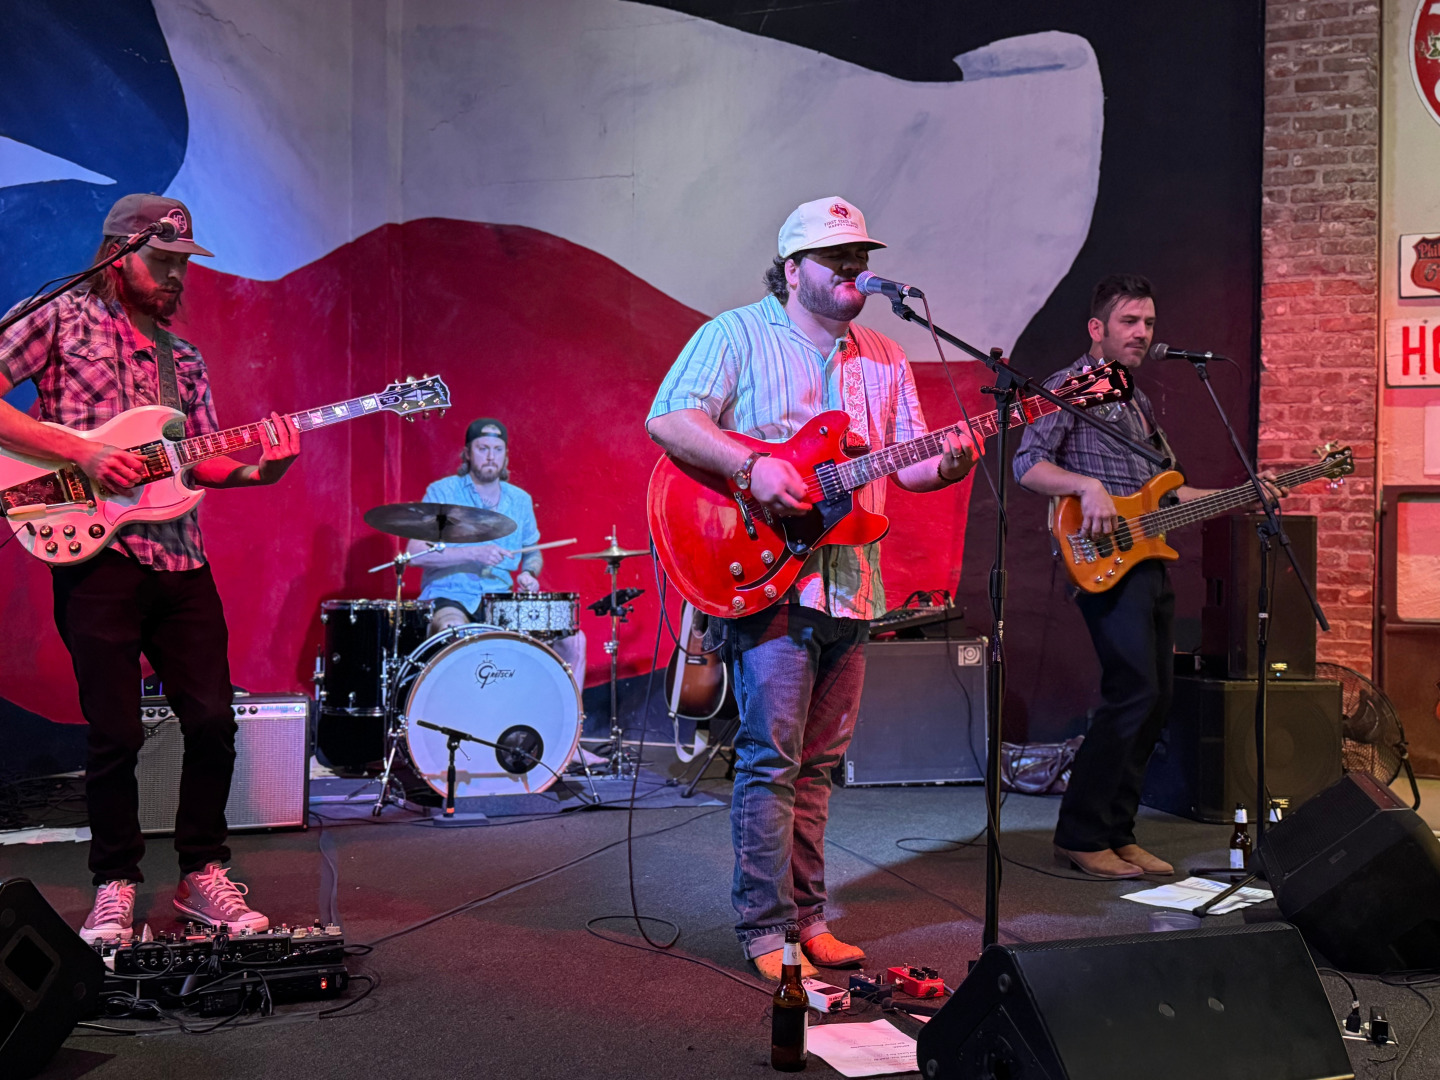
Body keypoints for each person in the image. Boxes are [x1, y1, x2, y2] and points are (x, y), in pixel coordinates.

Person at [646, 196, 979, 980]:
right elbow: (669, 420)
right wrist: (753, 465)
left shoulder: (885, 356)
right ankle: (766, 930)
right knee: (772, 759)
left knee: (819, 767)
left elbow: (911, 465)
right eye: (837, 257)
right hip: (769, 578)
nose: (854, 268)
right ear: (793, 270)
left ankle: (808, 918)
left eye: (859, 255)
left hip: (852, 585)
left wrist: (951, 462)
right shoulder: (735, 334)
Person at [0, 194, 300, 942]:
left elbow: (199, 459)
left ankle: (203, 873)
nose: (176, 277)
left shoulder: (184, 358)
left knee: (213, 719)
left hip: (180, 555)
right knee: (115, 732)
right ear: (117, 255)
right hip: (96, 550)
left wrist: (259, 472)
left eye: (182, 265)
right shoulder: (59, 318)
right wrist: (82, 451)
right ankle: (115, 882)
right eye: (163, 261)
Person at [1013, 273, 1281, 880]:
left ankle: (1118, 832)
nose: (1142, 333)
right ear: (1097, 328)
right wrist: (1087, 485)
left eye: (1149, 323)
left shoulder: (1136, 401)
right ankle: (1081, 835)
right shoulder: (1070, 387)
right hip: (1101, 556)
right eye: (1129, 322)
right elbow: (1028, 464)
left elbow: (1172, 493)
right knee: (1132, 691)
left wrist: (1246, 494)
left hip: (1149, 556)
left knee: (1157, 697)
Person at [406, 418, 586, 689]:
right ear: (467, 453)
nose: (490, 456)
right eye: (482, 448)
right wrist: (473, 554)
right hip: (450, 596)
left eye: (497, 449)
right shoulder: (442, 492)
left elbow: (533, 553)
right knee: (452, 632)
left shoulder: (520, 500)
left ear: (505, 455)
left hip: (501, 602)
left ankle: (571, 715)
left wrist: (529, 573)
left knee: (574, 641)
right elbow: (415, 553)